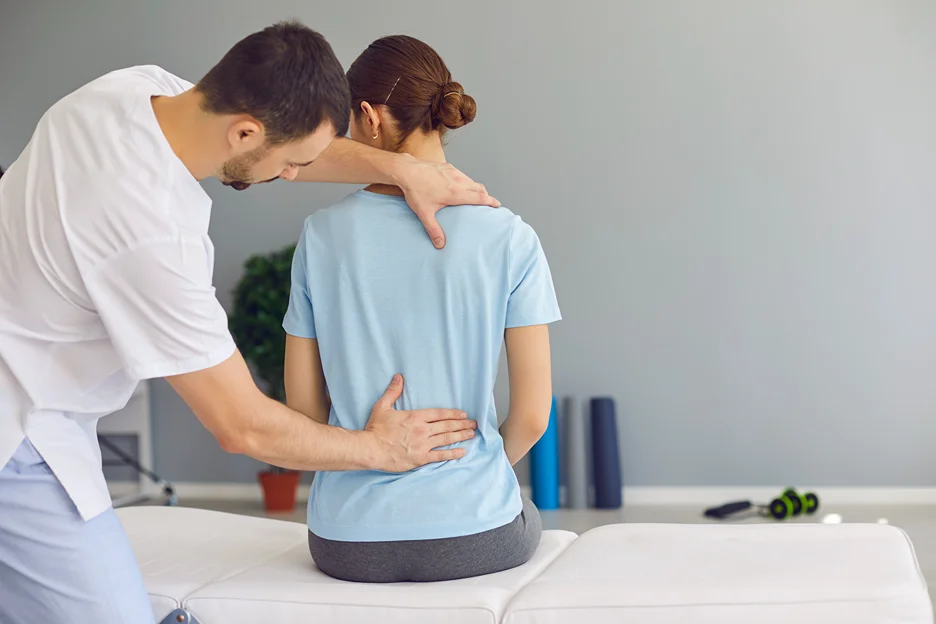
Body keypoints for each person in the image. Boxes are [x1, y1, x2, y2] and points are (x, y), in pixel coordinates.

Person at [0, 21, 500, 624]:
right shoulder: (151, 236)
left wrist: (401, 171)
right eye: (290, 164)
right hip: (20, 427)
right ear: (245, 131)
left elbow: (287, 146)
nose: (293, 176)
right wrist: (378, 447)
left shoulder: (127, 94)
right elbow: (244, 428)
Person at [282, 34, 561, 583]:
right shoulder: (510, 236)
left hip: (346, 543)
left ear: (368, 117)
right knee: (526, 519)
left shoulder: (319, 237)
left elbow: (306, 414)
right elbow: (531, 418)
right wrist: (467, 480)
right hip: (474, 532)